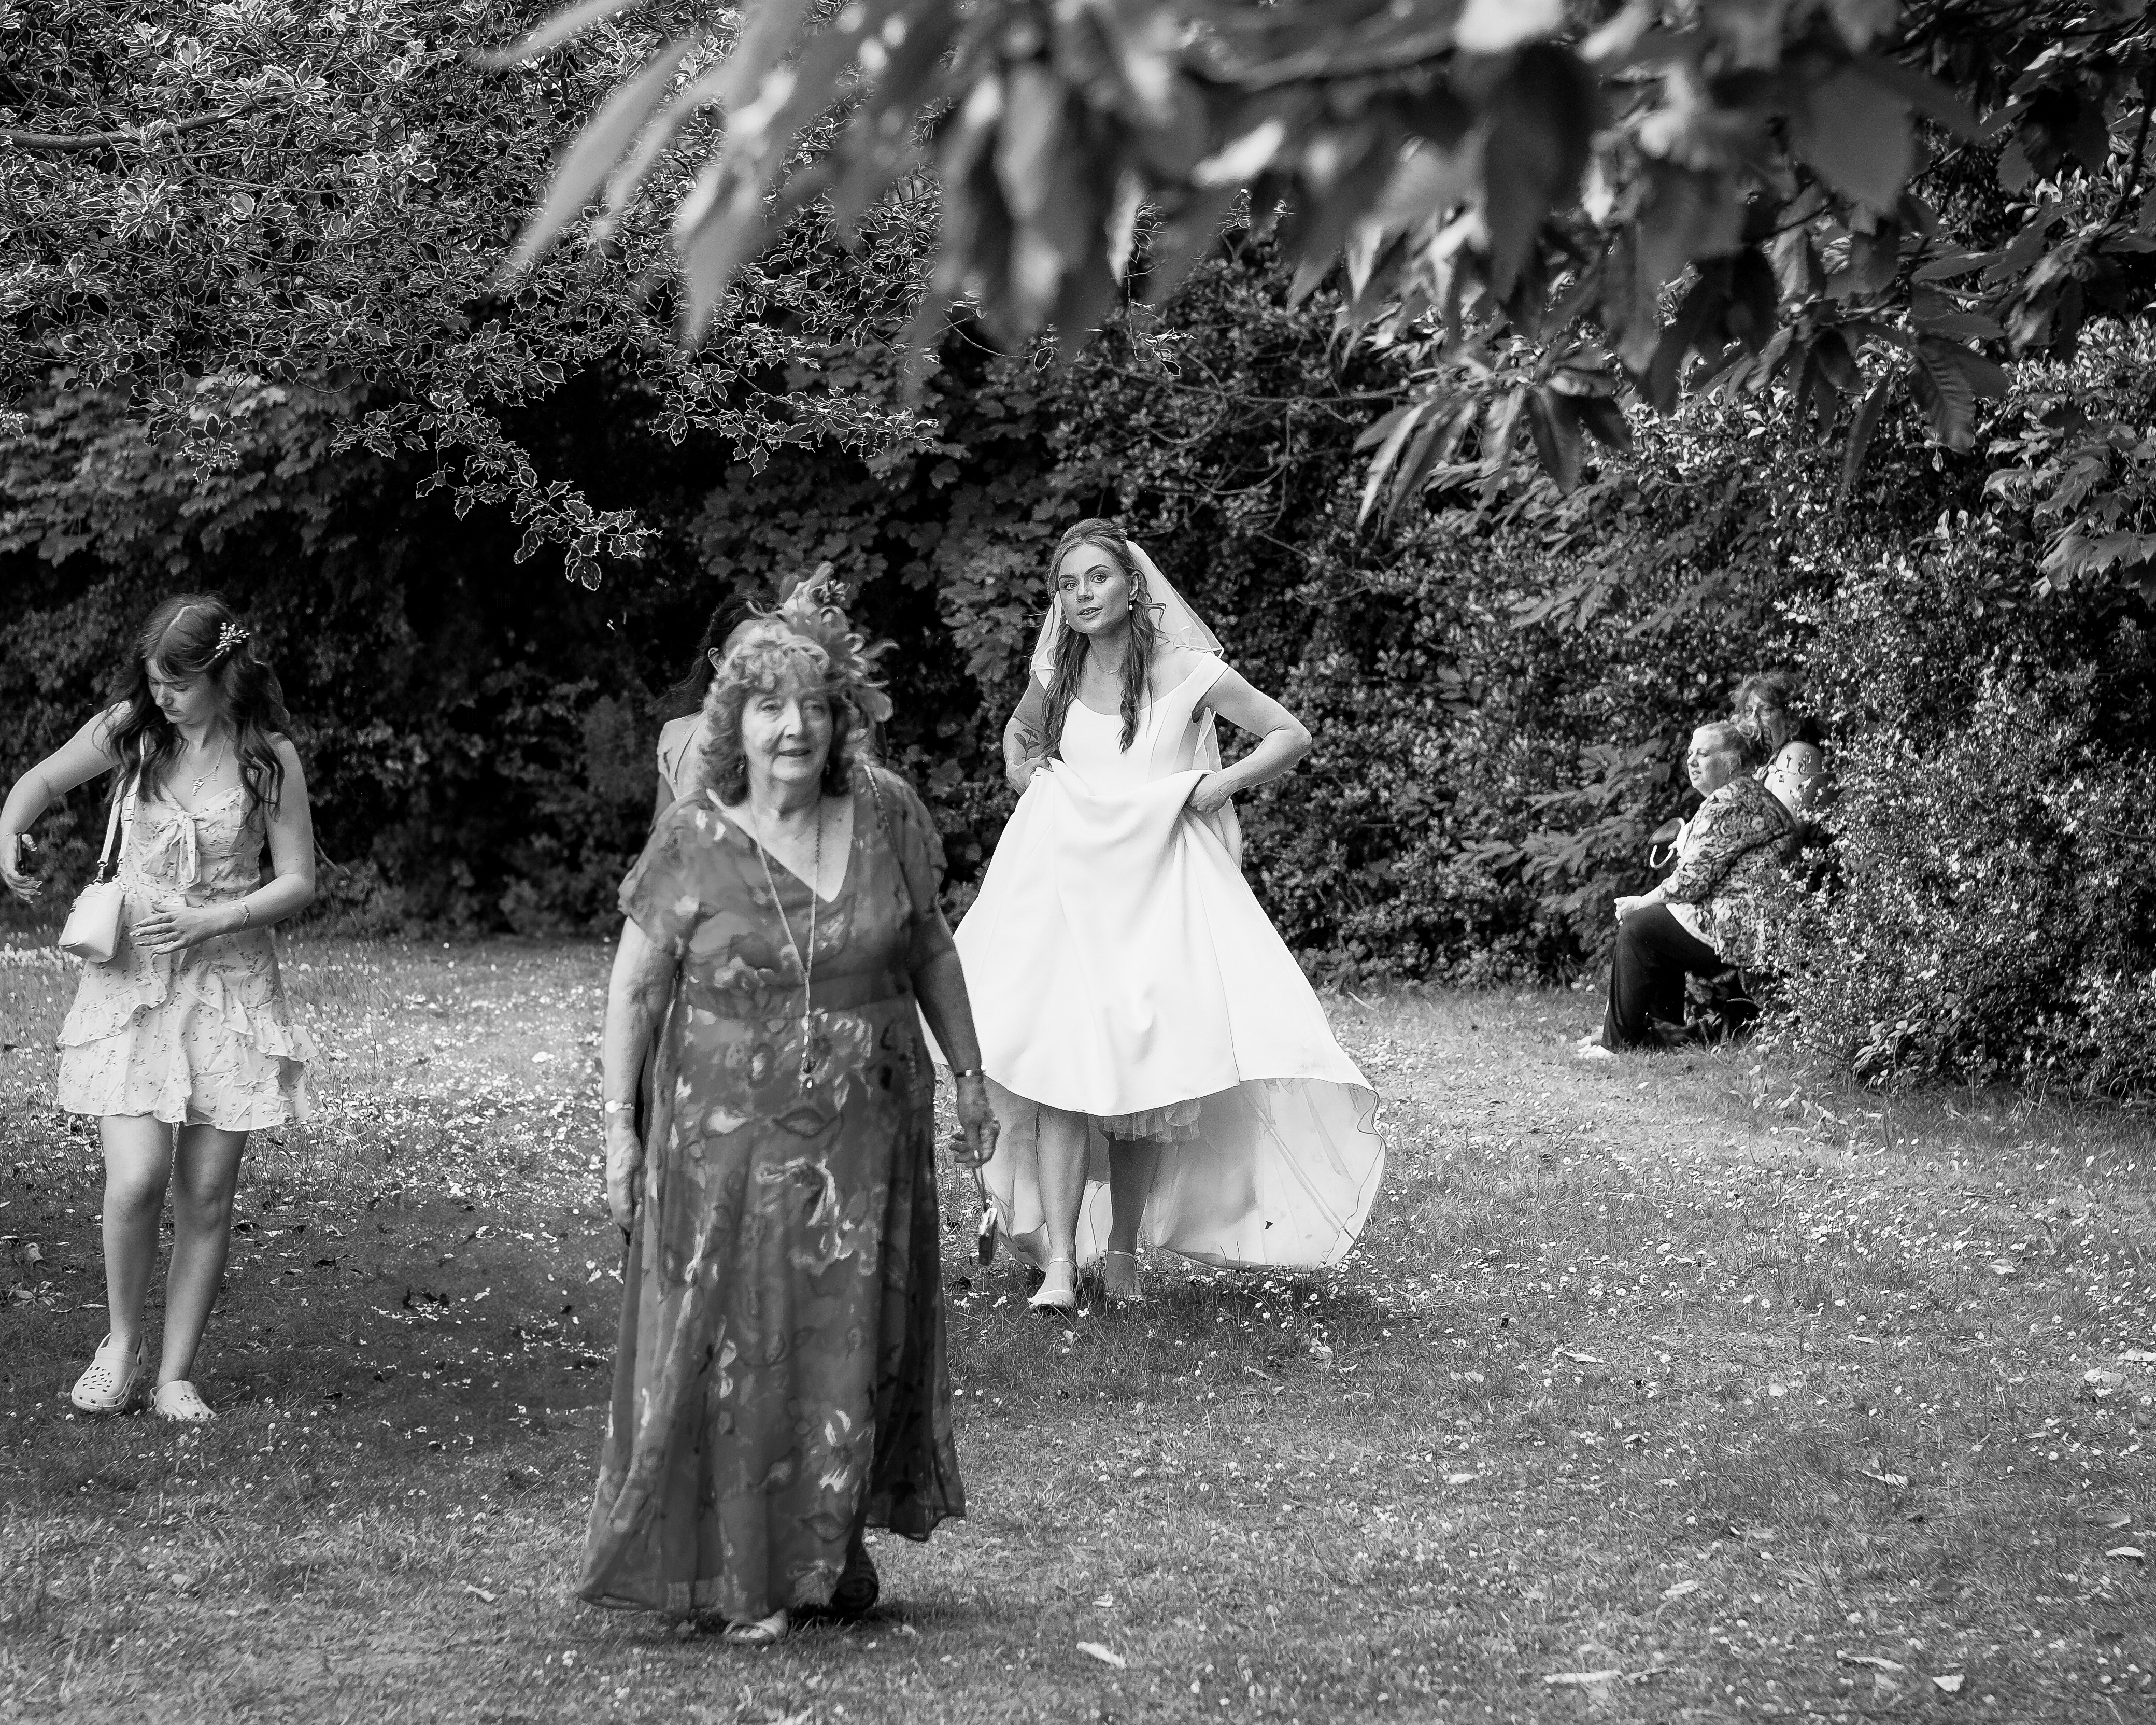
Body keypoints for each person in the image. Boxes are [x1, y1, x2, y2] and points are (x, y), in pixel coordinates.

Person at [580, 578, 998, 1647]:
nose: (794, 726)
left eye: (813, 703)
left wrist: (970, 1077)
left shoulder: (887, 810)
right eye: (769, 706)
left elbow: (928, 946)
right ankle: (745, 1571)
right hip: (724, 1140)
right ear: (735, 722)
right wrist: (618, 1132)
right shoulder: (692, 839)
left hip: (866, 1138)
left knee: (849, 1339)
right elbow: (634, 988)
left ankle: (824, 1549)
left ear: (841, 711)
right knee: (739, 1340)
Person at [955, 518, 1384, 1314]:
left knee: (1141, 1080)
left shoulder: (1190, 671)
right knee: (1058, 1070)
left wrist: (1219, 787)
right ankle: (1057, 1268)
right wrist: (1026, 773)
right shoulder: (1059, 671)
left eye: (1097, 580)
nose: (1082, 597)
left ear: (1131, 586)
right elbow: (1019, 731)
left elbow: (1290, 734)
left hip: (1155, 892)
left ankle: (1120, 1256)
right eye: (1068, 584)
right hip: (1065, 891)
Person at [0, 597, 316, 1422]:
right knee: (137, 1179)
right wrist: (9, 830)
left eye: (179, 682)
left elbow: (298, 879)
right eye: (155, 681)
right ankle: (119, 1342)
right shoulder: (130, 733)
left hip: (229, 986)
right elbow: (38, 781)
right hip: (132, 981)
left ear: (223, 674)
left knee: (207, 1194)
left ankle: (176, 1373)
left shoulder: (267, 758)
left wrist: (215, 916)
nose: (165, 696)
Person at [1579, 720, 1793, 1058]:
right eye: (1690, 753)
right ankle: (1657, 1033)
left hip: (1746, 926)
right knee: (1657, 927)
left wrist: (1639, 903)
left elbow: (1689, 884)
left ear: (1733, 762)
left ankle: (1618, 1044)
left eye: (1703, 754)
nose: (1691, 761)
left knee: (1640, 927)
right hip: (1756, 920)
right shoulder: (1746, 796)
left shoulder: (1730, 803)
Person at [1733, 670, 1827, 824]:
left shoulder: (1799, 753)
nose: (1752, 719)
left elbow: (1785, 829)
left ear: (1791, 717)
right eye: (1749, 711)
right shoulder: (1765, 765)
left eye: (1764, 710)